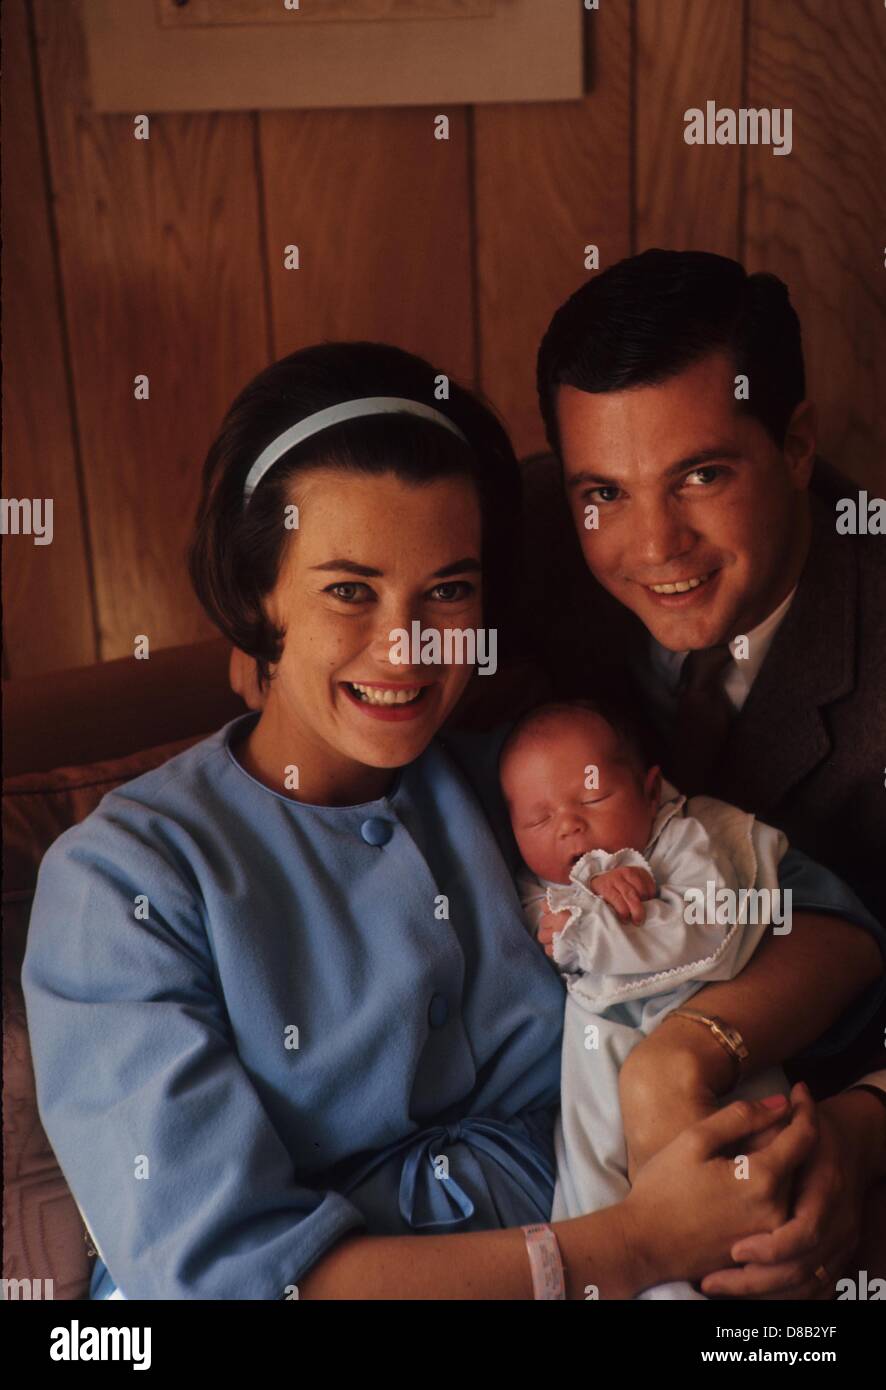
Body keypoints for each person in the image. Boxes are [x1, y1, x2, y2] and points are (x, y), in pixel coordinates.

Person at [24, 342, 882, 1301]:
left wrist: (686, 1054)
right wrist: (640, 1245)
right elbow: (226, 1282)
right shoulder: (121, 882)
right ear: (259, 594)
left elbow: (818, 915)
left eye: (447, 590)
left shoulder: (524, 783)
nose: (406, 648)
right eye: (349, 590)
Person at [533, 248, 886, 1294]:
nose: (654, 545)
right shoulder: (531, 545)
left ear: (796, 445)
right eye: (605, 490)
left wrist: (863, 1131)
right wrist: (271, 634)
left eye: (702, 475)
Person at [500, 697, 792, 1302]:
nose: (568, 826)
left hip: (702, 1022)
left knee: (743, 1174)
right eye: (538, 818)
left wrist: (620, 911)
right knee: (592, 1189)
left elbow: (708, 932)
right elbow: (547, 932)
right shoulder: (534, 887)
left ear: (650, 789)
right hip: (594, 1051)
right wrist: (580, 913)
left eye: (592, 799)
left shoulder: (684, 837)